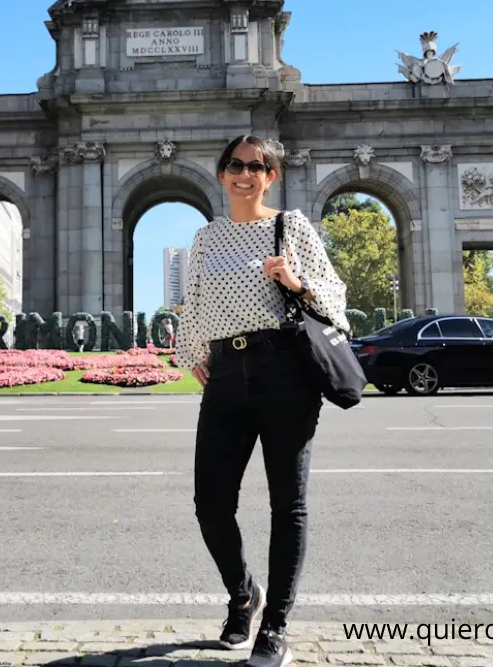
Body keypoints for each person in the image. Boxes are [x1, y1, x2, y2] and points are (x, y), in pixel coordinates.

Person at [175, 135, 349, 667]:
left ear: (271, 175)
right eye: (235, 165)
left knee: (287, 507)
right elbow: (195, 299)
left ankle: (275, 625)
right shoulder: (206, 237)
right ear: (222, 173)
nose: (244, 174)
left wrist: (295, 281)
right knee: (210, 505)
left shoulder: (291, 226)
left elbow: (336, 297)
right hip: (227, 373)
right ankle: (243, 592)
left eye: (256, 166)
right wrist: (191, 353)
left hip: (285, 374)